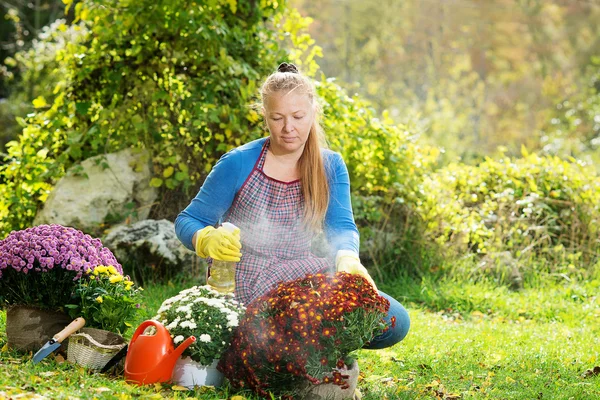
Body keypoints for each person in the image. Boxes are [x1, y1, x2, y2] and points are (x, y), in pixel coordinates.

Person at [175, 62, 409, 349]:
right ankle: (293, 349)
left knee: (392, 320)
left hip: (300, 275)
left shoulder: (330, 165)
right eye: (277, 118)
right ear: (265, 116)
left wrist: (346, 257)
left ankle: (297, 347)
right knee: (275, 332)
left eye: (298, 116)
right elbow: (189, 219)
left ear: (313, 112)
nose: (288, 128)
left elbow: (341, 226)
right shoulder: (238, 162)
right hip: (243, 282)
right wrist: (204, 238)